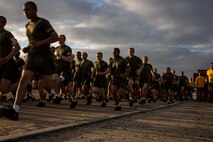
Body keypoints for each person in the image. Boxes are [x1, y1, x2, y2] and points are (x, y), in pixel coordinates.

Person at [2, 1, 59, 120]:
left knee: (48, 85)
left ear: (34, 10)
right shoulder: (27, 26)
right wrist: (28, 47)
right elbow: (32, 42)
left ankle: (60, 81)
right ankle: (15, 110)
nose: (25, 12)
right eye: (24, 10)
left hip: (45, 57)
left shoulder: (43, 22)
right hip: (32, 57)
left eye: (27, 9)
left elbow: (55, 37)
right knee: (23, 80)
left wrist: (39, 43)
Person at [0, 16, 21, 116]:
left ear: (4, 23)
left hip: (8, 63)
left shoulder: (7, 34)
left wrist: (7, 58)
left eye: (0, 21)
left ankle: (22, 83)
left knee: (3, 89)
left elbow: (17, 47)